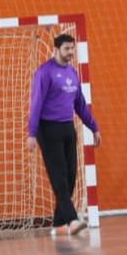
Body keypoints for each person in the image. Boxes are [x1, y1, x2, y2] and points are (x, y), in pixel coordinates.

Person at [26, 33, 100, 237]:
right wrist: (32, 132)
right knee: (58, 176)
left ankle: (59, 223)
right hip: (48, 129)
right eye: (67, 49)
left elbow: (80, 104)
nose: (70, 52)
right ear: (56, 49)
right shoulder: (44, 72)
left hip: (67, 127)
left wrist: (94, 127)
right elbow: (36, 103)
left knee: (71, 177)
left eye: (72, 48)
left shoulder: (72, 73)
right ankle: (72, 220)